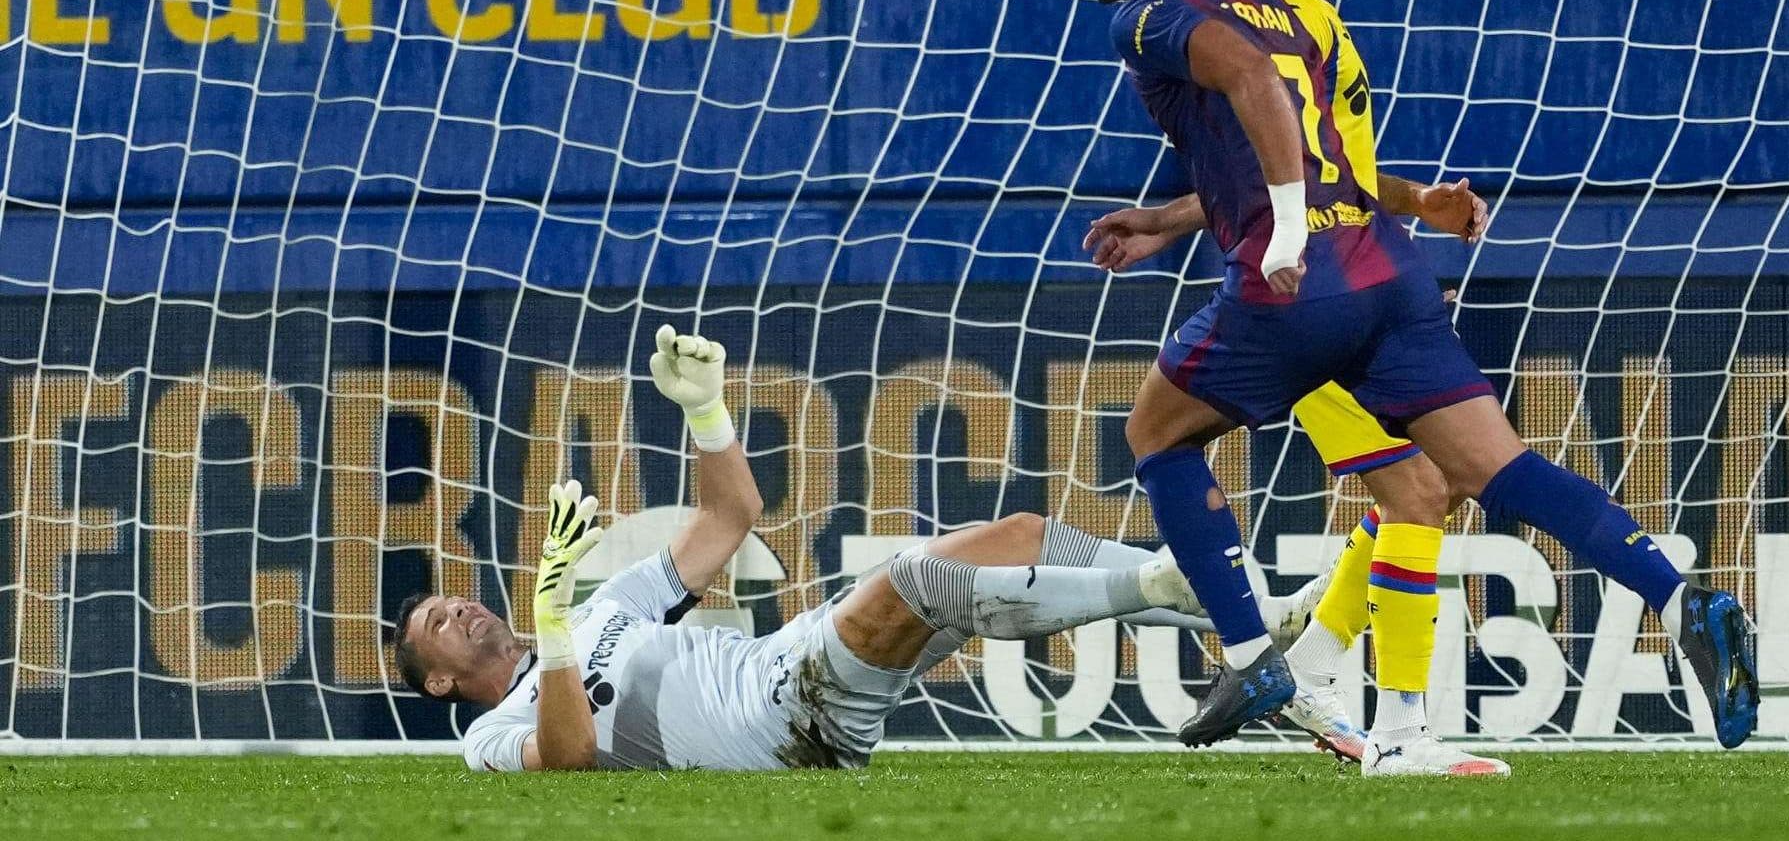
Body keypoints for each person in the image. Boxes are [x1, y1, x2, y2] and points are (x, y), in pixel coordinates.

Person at [1053, 0, 1757, 775]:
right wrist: (1205, 215)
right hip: (1385, 270)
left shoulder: (1155, 13)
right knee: (1486, 470)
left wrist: (1292, 229)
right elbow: (1305, 147)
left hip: (1298, 281)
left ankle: (1274, 666)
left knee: (1161, 436)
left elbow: (1264, 105)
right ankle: (1681, 600)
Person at [393, 325, 1317, 772]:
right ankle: (1174, 583)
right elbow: (568, 758)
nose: (459, 607)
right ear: (437, 680)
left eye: (450, 599)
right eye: (437, 621)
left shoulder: (607, 606)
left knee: (1019, 536)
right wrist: (552, 628)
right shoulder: (485, 737)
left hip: (780, 662)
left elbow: (730, 517)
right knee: (917, 579)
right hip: (774, 729)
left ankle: (1242, 614)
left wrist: (705, 413)